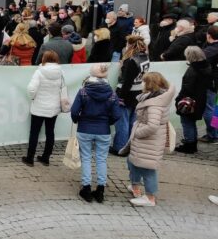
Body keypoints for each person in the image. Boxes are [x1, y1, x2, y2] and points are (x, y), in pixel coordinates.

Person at [71, 64, 122, 203]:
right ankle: (100, 190)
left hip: (85, 128)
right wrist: (107, 122)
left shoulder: (83, 91)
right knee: (101, 159)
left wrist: (78, 120)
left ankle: (86, 188)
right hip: (103, 130)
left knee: (86, 158)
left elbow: (74, 111)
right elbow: (117, 115)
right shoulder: (112, 93)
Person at [126, 72, 176, 207]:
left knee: (148, 168)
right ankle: (135, 187)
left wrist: (137, 133)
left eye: (143, 81)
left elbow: (152, 126)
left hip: (149, 141)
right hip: (146, 141)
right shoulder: (156, 97)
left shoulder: (154, 103)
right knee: (133, 162)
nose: (141, 83)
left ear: (149, 84)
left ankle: (150, 197)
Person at [23, 50, 65, 166]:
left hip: (39, 107)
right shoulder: (60, 72)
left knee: (34, 132)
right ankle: (46, 157)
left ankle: (30, 158)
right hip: (54, 107)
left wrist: (33, 98)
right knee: (50, 132)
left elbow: (31, 89)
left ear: (44, 59)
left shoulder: (39, 71)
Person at [111, 35, 149, 154]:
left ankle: (120, 147)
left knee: (122, 121)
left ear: (130, 45)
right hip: (138, 92)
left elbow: (127, 81)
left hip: (127, 93)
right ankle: (130, 145)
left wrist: (121, 96)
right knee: (133, 121)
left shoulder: (131, 60)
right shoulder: (145, 57)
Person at [175, 46, 213, 154]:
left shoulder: (192, 70)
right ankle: (193, 141)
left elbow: (187, 88)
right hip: (201, 99)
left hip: (190, 101)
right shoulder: (207, 66)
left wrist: (178, 100)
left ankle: (189, 144)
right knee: (192, 122)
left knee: (187, 122)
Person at [201, 26, 218, 144]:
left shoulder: (213, 49)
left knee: (209, 109)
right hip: (213, 82)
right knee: (213, 108)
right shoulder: (211, 47)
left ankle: (213, 134)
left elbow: (199, 58)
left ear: (209, 35)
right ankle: (214, 133)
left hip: (210, 82)